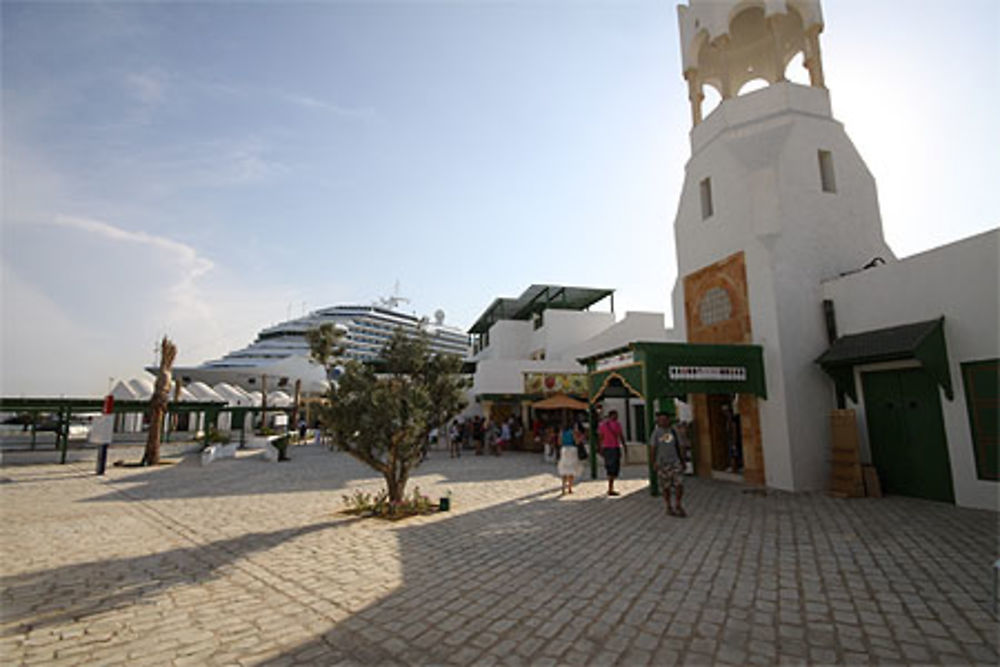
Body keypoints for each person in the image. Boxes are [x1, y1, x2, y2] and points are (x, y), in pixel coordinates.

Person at [651, 410, 687, 517]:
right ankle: (668, 505)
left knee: (679, 484)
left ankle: (678, 504)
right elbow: (653, 448)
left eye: (664, 419)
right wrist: (654, 462)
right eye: (660, 420)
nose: (662, 422)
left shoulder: (674, 431)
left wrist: (683, 460)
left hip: (675, 462)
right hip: (662, 463)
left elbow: (680, 446)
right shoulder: (656, 433)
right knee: (665, 486)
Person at [598, 409, 626, 496]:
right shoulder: (617, 424)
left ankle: (610, 487)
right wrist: (624, 446)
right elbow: (620, 436)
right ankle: (610, 488)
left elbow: (600, 437)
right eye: (616, 415)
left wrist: (600, 448)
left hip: (606, 447)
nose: (617, 417)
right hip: (613, 447)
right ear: (612, 415)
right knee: (614, 468)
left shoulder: (602, 425)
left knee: (609, 467)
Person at [557, 423, 582, 495]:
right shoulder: (573, 432)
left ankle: (563, 487)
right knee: (571, 470)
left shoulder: (561, 433)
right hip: (572, 450)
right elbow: (577, 442)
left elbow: (559, 443)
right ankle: (570, 488)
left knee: (564, 469)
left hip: (564, 450)